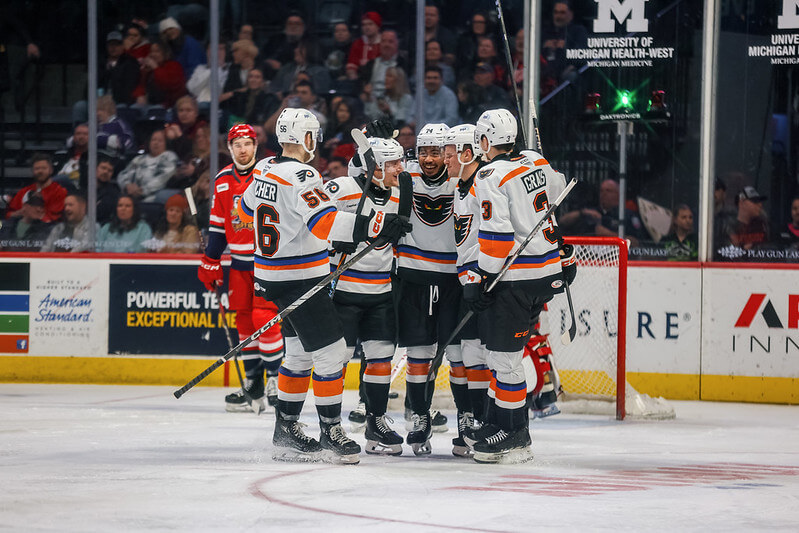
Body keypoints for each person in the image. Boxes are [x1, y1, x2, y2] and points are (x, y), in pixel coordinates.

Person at [235, 108, 409, 463]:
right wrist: (375, 226)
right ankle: (331, 431)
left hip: (270, 275)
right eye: (314, 134)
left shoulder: (264, 168)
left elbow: (244, 211)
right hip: (299, 278)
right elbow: (325, 223)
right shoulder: (303, 174)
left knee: (298, 355)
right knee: (331, 354)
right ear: (306, 138)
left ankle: (286, 429)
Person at [466, 108, 570, 463]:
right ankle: (498, 423)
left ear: (484, 141)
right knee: (502, 356)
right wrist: (537, 160)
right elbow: (558, 188)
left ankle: (514, 433)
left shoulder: (489, 175)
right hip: (545, 274)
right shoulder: (535, 161)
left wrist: (483, 278)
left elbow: (497, 236)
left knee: (504, 359)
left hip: (515, 278)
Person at [324, 136, 411, 455]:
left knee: (381, 359)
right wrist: (334, 241)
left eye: (400, 161)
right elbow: (314, 224)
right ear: (374, 167)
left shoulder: (400, 192)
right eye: (393, 163)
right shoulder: (342, 189)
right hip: (343, 294)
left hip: (381, 293)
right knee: (336, 361)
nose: (400, 168)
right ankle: (330, 425)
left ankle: (376, 423)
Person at [197, 124, 284, 413]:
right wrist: (211, 260)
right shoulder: (222, 180)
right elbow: (218, 226)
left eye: (247, 143)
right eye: (237, 144)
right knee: (244, 322)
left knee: (264, 318)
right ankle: (253, 384)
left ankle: (276, 381)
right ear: (230, 147)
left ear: (255, 146)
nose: (243, 149)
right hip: (238, 262)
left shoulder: (269, 173)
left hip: (266, 261)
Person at [396, 123, 459, 455]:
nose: (429, 159)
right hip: (414, 278)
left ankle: (468, 420)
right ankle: (419, 415)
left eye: (435, 152)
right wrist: (375, 143)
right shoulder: (406, 178)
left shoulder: (460, 180)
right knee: (419, 354)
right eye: (423, 152)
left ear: (447, 154)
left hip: (454, 280)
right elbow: (368, 172)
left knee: (460, 355)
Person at [443, 123, 489, 457]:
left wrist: (481, 276)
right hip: (463, 280)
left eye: (449, 154)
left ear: (468, 153)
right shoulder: (460, 186)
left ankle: (487, 422)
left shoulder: (484, 185)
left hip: (483, 281)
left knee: (479, 355)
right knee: (461, 354)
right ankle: (471, 420)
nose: (444, 159)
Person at [559, 179, 647, 246]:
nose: (604, 193)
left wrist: (609, 235)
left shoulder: (627, 216)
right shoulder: (590, 212)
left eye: (608, 191)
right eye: (601, 191)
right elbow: (562, 222)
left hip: (615, 258)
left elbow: (636, 242)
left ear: (618, 194)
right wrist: (582, 213)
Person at [117, 129, 179, 203]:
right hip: (131, 194)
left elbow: (163, 178)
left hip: (155, 194)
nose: (156, 143)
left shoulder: (169, 157)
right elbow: (123, 174)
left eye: (160, 141)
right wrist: (127, 186)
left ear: (166, 143)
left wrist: (142, 190)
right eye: (153, 140)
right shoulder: (139, 159)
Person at [6, 153, 67, 223]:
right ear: (32, 171)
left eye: (44, 168)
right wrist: (17, 214)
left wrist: (31, 214)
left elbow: (55, 218)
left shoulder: (60, 192)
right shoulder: (24, 192)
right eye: (37, 168)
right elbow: (8, 214)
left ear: (51, 170)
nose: (40, 171)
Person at [541, 0, 588, 84]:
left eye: (562, 13)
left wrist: (565, 47)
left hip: (566, 80)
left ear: (571, 15)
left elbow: (582, 55)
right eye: (556, 12)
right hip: (545, 77)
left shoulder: (578, 31)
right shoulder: (545, 33)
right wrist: (544, 46)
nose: (558, 16)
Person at [132, 41, 187, 109]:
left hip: (168, 105)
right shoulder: (148, 69)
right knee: (133, 108)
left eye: (157, 51)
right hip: (149, 103)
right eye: (151, 51)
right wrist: (140, 95)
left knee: (156, 109)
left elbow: (167, 85)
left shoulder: (174, 66)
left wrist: (155, 67)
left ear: (165, 53)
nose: (153, 54)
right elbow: (141, 85)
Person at [720, 186, 770, 252]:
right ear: (741, 203)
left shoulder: (762, 225)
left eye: (760, 201)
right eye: (754, 201)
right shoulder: (725, 226)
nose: (760, 204)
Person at [100, 30, 140, 106]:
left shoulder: (130, 62)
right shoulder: (101, 62)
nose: (113, 47)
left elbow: (129, 88)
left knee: (120, 106)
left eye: (117, 44)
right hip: (100, 100)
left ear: (122, 46)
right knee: (81, 105)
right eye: (111, 45)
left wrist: (112, 69)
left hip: (120, 102)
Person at [165, 95, 208, 161]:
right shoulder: (174, 126)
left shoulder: (202, 127)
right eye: (181, 110)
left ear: (196, 113)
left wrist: (179, 135)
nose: (184, 114)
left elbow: (191, 151)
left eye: (188, 110)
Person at [346, 11, 383, 80]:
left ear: (378, 26)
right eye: (364, 25)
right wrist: (353, 77)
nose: (367, 27)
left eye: (370, 24)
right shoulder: (357, 43)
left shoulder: (384, 43)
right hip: (361, 80)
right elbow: (352, 65)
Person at [53, 124, 89, 190]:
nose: (81, 137)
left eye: (85, 134)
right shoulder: (61, 154)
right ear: (73, 137)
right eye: (78, 134)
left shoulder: (97, 156)